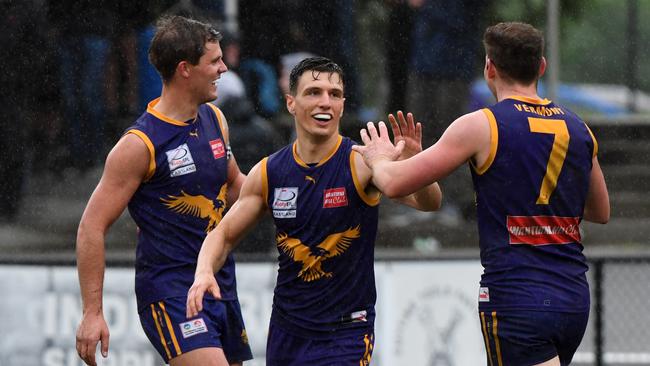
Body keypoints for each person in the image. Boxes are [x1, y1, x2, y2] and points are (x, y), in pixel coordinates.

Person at [353, 22, 610, 366]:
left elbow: (396, 184)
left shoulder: (481, 124)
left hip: (517, 295)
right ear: (542, 66)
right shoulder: (578, 127)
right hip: (572, 297)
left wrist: (379, 158)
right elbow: (599, 210)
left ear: (489, 67)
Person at [186, 56, 441, 365]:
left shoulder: (361, 162)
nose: (326, 102)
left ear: (343, 104)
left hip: (346, 331)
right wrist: (202, 272)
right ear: (291, 102)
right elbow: (223, 235)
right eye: (314, 92)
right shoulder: (270, 172)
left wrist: (417, 163)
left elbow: (429, 203)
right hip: (287, 331)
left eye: (334, 95)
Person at [75, 16, 252, 366]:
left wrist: (294, 202)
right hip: (170, 291)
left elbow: (236, 186)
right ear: (185, 69)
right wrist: (92, 313)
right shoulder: (139, 145)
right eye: (214, 61)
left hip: (219, 283)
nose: (223, 69)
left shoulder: (215, 120)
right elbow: (91, 227)